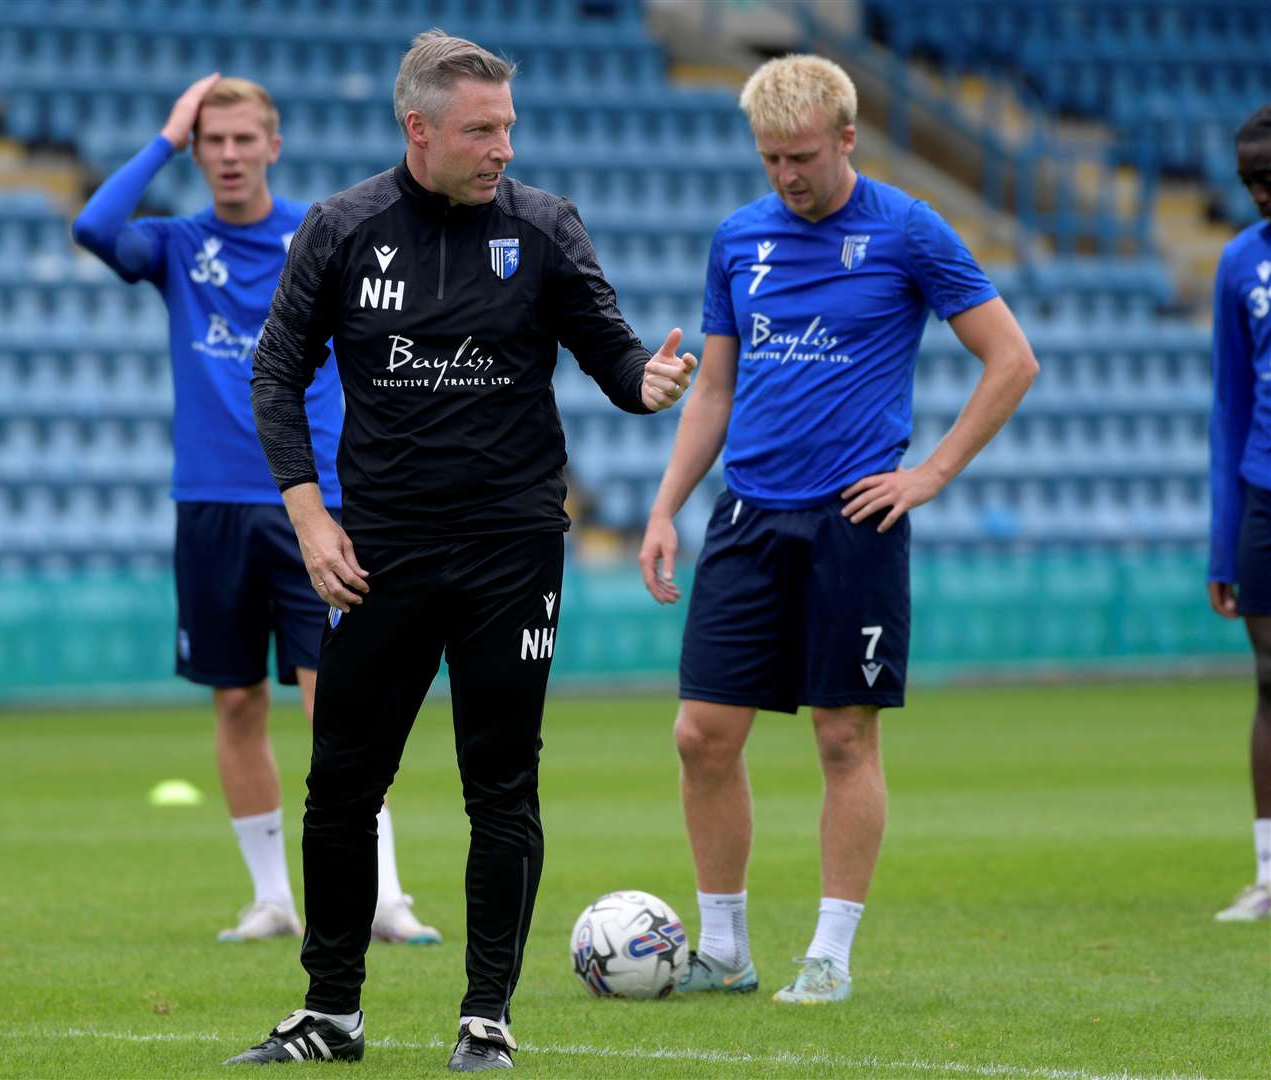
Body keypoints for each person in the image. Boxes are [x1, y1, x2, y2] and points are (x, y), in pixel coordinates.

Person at [225, 30, 695, 1071]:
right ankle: (331, 1015)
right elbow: (275, 377)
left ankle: (487, 1019)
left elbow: (614, 357)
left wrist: (648, 383)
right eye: (482, 130)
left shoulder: (544, 227)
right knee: (342, 786)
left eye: (509, 128)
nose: (502, 149)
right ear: (419, 128)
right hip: (377, 556)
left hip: (511, 554)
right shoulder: (342, 229)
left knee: (501, 785)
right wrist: (310, 517)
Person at [637, 54, 1038, 1004]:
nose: (786, 176)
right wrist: (663, 507)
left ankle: (829, 954)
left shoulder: (907, 229)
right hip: (745, 517)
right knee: (700, 735)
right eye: (770, 158)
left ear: (846, 138)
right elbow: (719, 387)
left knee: (843, 739)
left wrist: (932, 472)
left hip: (853, 521)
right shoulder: (737, 240)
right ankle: (725, 951)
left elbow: (1010, 360)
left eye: (802, 156)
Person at [71, 74, 439, 947]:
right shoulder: (174, 242)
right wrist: (165, 132)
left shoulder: (320, 235)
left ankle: (383, 894)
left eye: (244, 140)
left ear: (273, 145)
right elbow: (93, 229)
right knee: (236, 704)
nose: (229, 156)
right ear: (197, 154)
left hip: (314, 503)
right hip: (209, 506)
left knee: (337, 706)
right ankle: (273, 897)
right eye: (212, 142)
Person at [1206, 101, 1271, 923]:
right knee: (1268, 679)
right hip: (1263, 494)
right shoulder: (1238, 266)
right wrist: (1223, 541)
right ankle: (1267, 873)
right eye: (1251, 183)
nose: (1261, 196)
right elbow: (1227, 408)